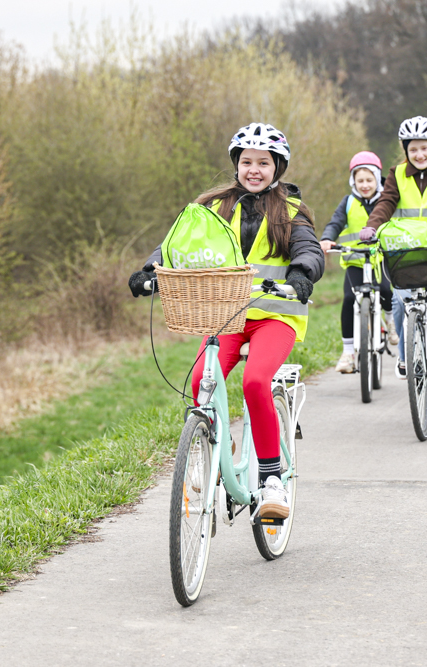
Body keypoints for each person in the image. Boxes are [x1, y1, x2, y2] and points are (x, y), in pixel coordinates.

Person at [128, 122, 324, 520]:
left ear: (278, 167)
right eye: (247, 161)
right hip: (225, 314)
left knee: (255, 382)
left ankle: (271, 479)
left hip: (275, 315)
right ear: (236, 164)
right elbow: (176, 245)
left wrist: (302, 273)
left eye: (264, 163)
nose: (254, 170)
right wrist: (150, 269)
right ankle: (213, 447)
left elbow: (309, 249)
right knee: (200, 382)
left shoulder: (291, 211)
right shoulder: (213, 207)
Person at [359, 115, 427, 390]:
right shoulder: (396, 174)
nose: (419, 154)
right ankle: (405, 355)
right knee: (400, 302)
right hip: (407, 248)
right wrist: (372, 226)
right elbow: (386, 203)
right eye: (413, 149)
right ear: (406, 150)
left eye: (424, 148)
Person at [320, 151, 398, 373]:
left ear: (377, 179)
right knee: (348, 299)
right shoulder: (348, 202)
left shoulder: (387, 200)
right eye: (359, 180)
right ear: (352, 181)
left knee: (386, 290)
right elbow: (336, 222)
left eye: (369, 180)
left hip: (380, 260)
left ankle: (390, 321)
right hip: (355, 260)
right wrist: (327, 238)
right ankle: (348, 352)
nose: (364, 185)